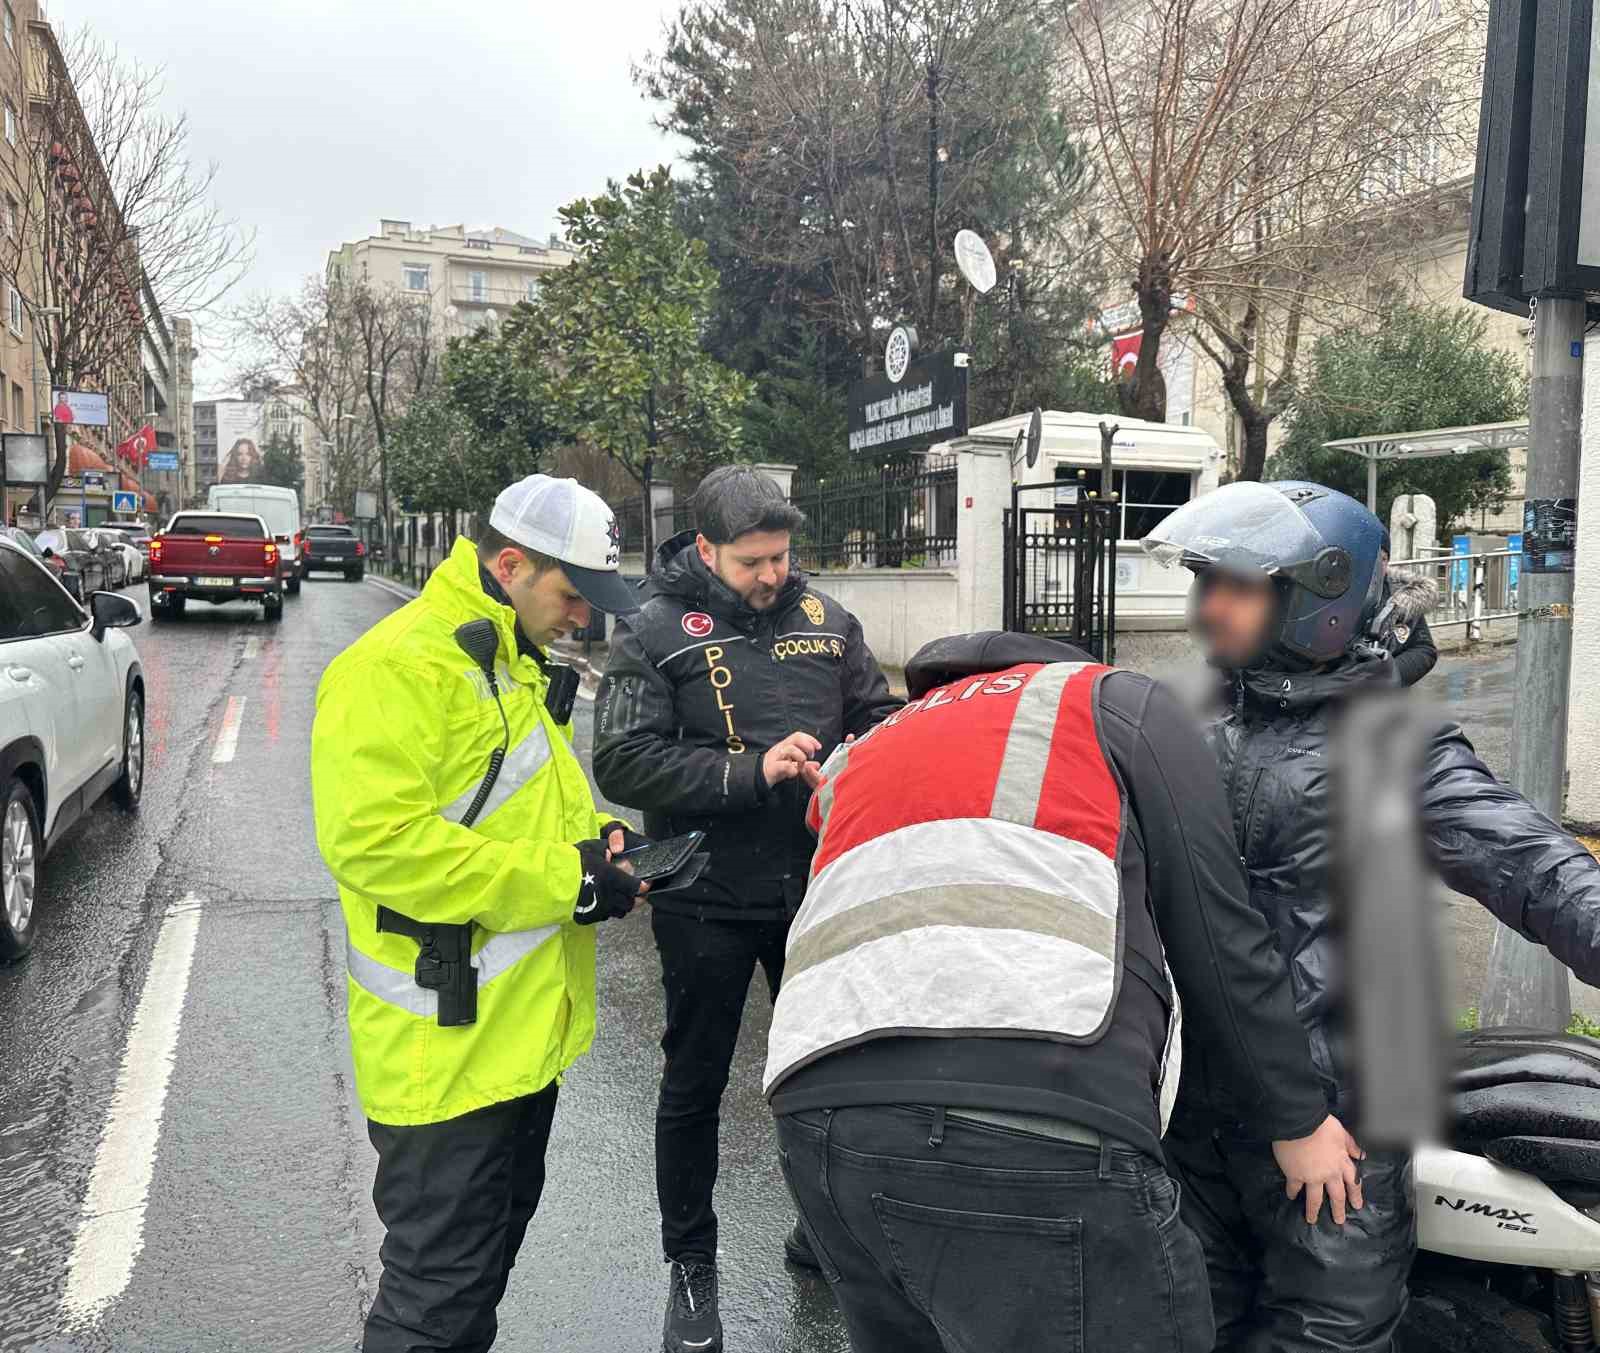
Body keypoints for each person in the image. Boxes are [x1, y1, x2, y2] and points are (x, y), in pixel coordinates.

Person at [764, 630, 1366, 1353]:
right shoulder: (1114, 703)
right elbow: (1217, 931)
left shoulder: (869, 744)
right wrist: (1296, 1119)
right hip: (1036, 1123)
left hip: (818, 1121)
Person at [1142, 479, 1600, 1353]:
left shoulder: (1395, 743)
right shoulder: (1187, 716)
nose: (1206, 607)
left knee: (1330, 1339)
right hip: (1188, 1119)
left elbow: (1537, 868)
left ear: (1317, 599)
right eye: (1204, 580)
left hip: (1335, 1132)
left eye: (1233, 584)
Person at [311, 474, 649, 1353]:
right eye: (573, 593)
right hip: (443, 1048)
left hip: (513, 1043)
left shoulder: (502, 656)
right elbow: (379, 845)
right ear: (510, 564)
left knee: (475, 1286)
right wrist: (565, 882)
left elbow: (529, 789)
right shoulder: (397, 666)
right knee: (434, 1303)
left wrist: (599, 839)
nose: (586, 616)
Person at [593, 464, 900, 1353]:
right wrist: (748, 770)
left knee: (826, 1075)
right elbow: (622, 760)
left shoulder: (828, 622)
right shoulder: (652, 631)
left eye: (781, 555)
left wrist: (865, 755)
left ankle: (823, 1231)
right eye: (753, 560)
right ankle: (692, 1265)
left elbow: (874, 721)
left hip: (814, 893)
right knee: (694, 1085)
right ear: (705, 549)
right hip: (703, 898)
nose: (772, 574)